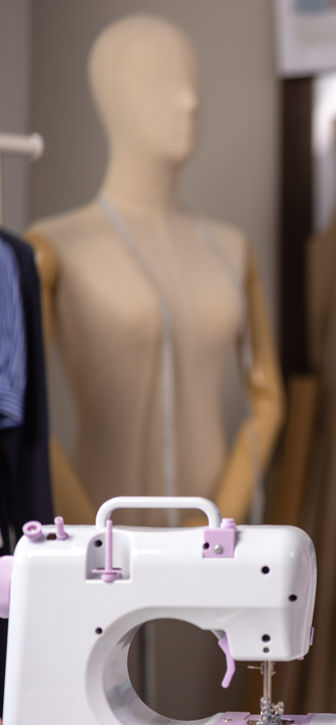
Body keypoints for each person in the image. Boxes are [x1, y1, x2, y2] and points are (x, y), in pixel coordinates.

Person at [27, 13, 282, 526]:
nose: (189, 100)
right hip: (97, 533)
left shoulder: (231, 249)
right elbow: (22, 407)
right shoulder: (53, 247)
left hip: (209, 538)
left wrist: (216, 520)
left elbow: (267, 399)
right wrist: (85, 532)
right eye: (161, 83)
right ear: (110, 98)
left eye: (194, 84)